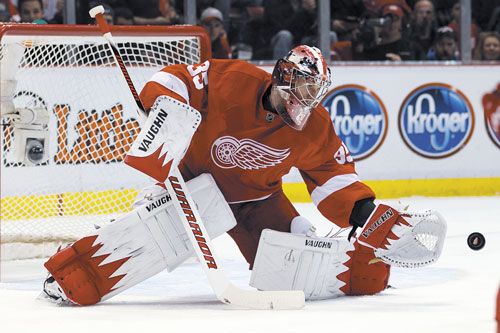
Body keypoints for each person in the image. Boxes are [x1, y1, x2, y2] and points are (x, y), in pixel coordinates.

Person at [41, 45, 446, 305]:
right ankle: (68, 279)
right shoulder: (229, 80)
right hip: (191, 187)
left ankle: (362, 271)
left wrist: (362, 211)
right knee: (142, 241)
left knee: (300, 267)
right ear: (284, 76)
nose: (309, 98)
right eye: (304, 86)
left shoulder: (315, 125)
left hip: (259, 202)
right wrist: (165, 105)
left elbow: (331, 174)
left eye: (315, 90)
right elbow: (174, 78)